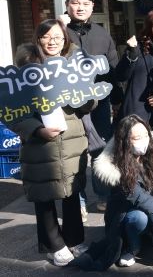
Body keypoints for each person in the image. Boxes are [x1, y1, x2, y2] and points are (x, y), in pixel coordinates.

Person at [10, 19, 92, 266]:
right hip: (40, 144)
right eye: (47, 36)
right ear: (38, 39)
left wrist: (87, 96)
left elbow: (88, 104)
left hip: (71, 140)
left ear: (65, 39)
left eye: (58, 36)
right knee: (44, 195)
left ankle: (74, 240)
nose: (53, 41)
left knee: (71, 192)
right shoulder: (26, 68)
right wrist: (36, 130)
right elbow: (12, 112)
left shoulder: (74, 65)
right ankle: (54, 245)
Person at [61, 0, 121, 219]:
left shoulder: (102, 34)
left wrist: (117, 99)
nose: (80, 7)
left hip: (99, 102)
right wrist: (59, 27)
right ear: (67, 5)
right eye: (75, 2)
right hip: (68, 104)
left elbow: (113, 68)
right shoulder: (59, 31)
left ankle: (103, 195)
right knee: (73, 151)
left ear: (92, 6)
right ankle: (78, 200)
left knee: (100, 147)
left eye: (85, 3)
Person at [94, 114, 153, 267]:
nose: (144, 140)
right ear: (125, 141)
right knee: (139, 219)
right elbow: (145, 201)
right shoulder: (116, 168)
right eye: (137, 138)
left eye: (146, 135)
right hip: (129, 211)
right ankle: (132, 247)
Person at [115, 9, 153, 148]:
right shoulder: (138, 47)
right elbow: (121, 75)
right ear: (150, 28)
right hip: (136, 115)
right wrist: (131, 53)